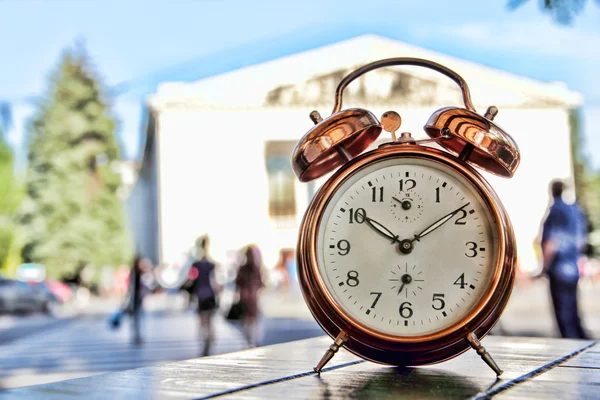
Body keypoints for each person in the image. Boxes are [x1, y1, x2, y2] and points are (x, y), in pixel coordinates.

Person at [541, 180, 589, 339]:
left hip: (559, 268)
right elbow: (581, 242)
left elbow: (552, 242)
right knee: (573, 310)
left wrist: (544, 266)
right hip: (572, 267)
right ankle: (581, 345)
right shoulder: (575, 210)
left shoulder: (556, 210)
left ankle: (571, 345)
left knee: (563, 314)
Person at [190, 235, 220, 356]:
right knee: (210, 321)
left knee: (202, 321)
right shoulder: (212, 264)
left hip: (200, 296)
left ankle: (205, 343)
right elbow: (215, 282)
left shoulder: (196, 265)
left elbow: (191, 280)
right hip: (210, 295)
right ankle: (209, 341)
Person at [235, 245, 264, 347]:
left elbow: (237, 284)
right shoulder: (256, 268)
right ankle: (252, 341)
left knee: (245, 320)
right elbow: (260, 284)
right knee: (253, 319)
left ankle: (248, 341)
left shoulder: (243, 268)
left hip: (244, 297)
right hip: (253, 297)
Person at [128, 255, 151, 345]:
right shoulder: (135, 272)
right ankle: (137, 336)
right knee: (136, 319)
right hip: (135, 299)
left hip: (139, 299)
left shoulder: (140, 272)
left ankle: (138, 336)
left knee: (138, 319)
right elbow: (132, 288)